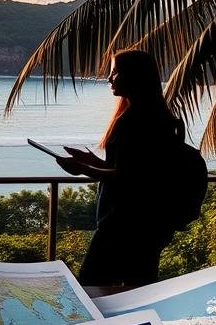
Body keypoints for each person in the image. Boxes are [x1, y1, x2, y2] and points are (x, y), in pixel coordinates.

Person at [55, 49, 184, 288]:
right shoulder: (156, 117)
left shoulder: (136, 120)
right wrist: (92, 161)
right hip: (147, 223)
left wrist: (84, 169)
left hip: (124, 223)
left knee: (92, 287)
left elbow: (130, 177)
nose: (109, 78)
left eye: (115, 72)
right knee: (138, 290)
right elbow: (136, 171)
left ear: (134, 76)